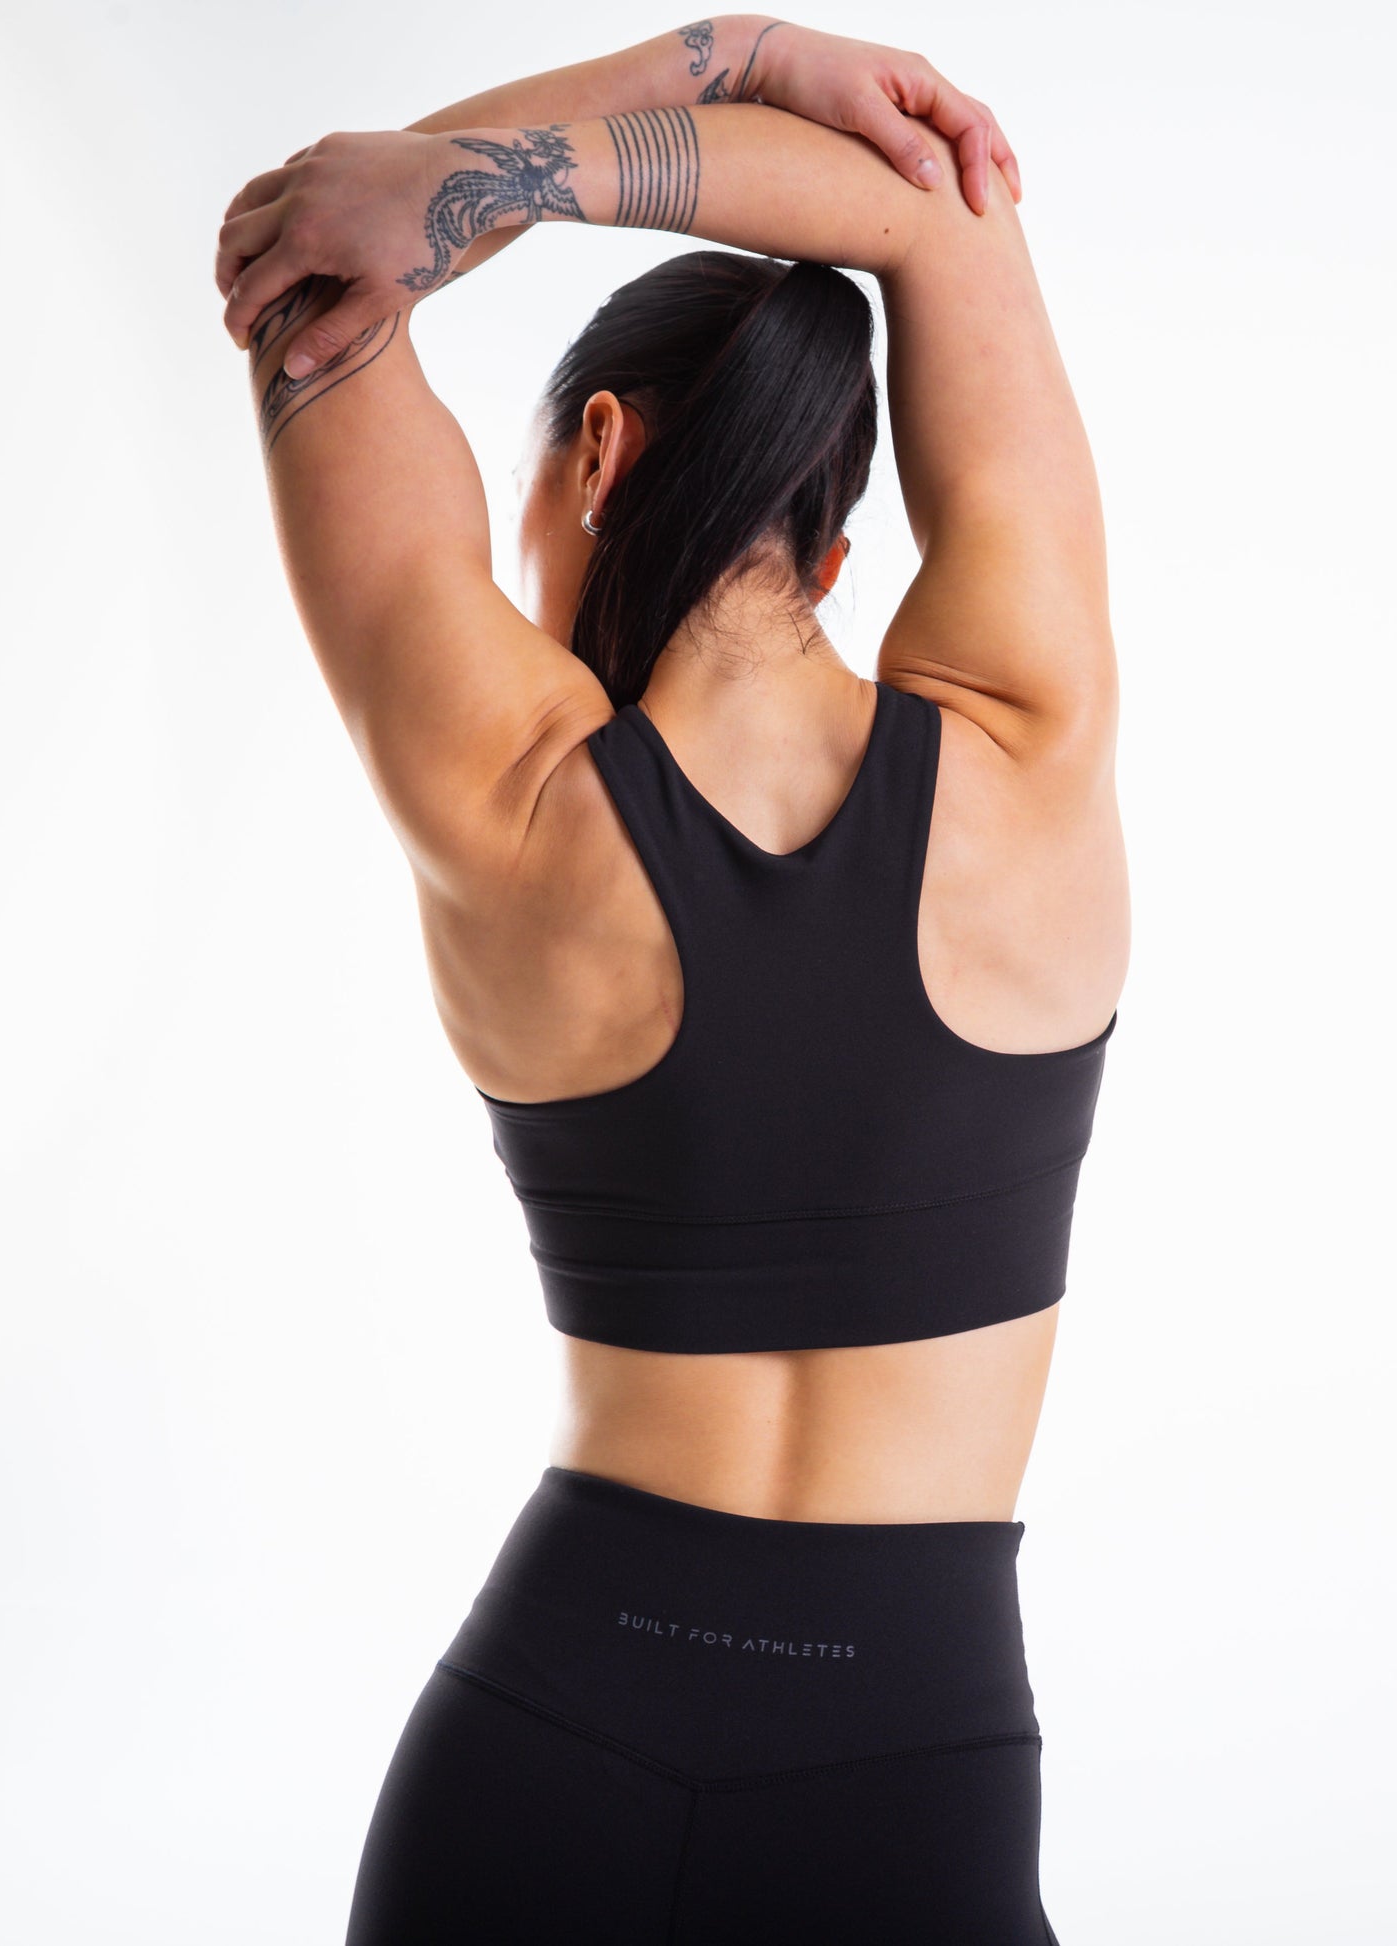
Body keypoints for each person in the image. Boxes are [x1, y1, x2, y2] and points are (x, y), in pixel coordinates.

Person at [215, 17, 1127, 1942]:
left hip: (551, 1734)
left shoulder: (512, 802)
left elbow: (319, 251)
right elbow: (939, 228)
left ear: (597, 453)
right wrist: (736, 73)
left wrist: (724, 56)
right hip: (914, 1772)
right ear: (839, 548)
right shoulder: (1028, 754)